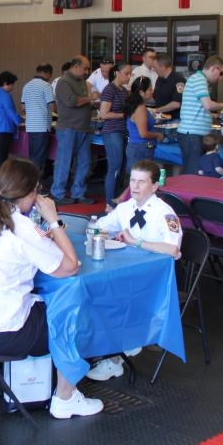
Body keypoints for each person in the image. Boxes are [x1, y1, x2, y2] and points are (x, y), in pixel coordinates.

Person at [0, 157, 102, 419]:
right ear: (31, 193)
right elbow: (71, 266)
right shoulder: (22, 227)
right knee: (72, 311)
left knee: (47, 304)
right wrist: (54, 220)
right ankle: (66, 396)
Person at [86, 160, 182, 381]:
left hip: (155, 279)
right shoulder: (126, 207)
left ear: (155, 186)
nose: (135, 186)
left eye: (141, 182)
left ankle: (115, 357)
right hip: (128, 271)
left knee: (110, 296)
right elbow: (100, 225)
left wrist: (137, 242)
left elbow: (172, 249)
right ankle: (110, 346)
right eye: (132, 180)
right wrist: (101, 231)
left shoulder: (164, 213)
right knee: (98, 289)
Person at [52, 57, 97, 205]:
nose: (87, 71)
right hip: (68, 128)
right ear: (76, 66)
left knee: (84, 162)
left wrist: (91, 102)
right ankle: (58, 194)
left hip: (83, 127)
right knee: (64, 162)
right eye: (85, 68)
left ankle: (79, 193)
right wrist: (90, 98)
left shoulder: (82, 81)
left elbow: (81, 101)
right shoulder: (63, 82)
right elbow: (71, 101)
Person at [177, 56, 223, 176]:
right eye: (221, 73)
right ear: (214, 69)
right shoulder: (199, 80)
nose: (220, 78)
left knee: (195, 171)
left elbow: (201, 108)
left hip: (194, 134)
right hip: (192, 135)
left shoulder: (199, 79)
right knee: (193, 173)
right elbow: (208, 105)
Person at [100, 63, 132, 209]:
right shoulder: (109, 90)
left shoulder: (124, 91)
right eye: (126, 73)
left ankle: (116, 199)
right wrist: (124, 115)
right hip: (112, 131)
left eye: (130, 74)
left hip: (122, 131)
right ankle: (108, 203)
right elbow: (104, 114)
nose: (129, 76)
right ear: (117, 73)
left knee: (121, 166)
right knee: (114, 167)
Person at [20, 64, 56, 176]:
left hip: (30, 126)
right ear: (47, 73)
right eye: (50, 75)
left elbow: (23, 108)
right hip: (42, 126)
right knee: (39, 158)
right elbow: (52, 107)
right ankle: (34, 185)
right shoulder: (46, 86)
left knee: (33, 156)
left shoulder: (26, 85)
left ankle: (31, 183)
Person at [125, 76, 164, 172]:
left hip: (138, 147)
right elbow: (143, 134)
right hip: (141, 148)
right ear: (141, 93)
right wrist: (158, 135)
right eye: (150, 89)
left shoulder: (137, 106)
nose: (152, 91)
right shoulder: (140, 108)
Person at [0, 71, 22, 175]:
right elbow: (10, 111)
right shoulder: (6, 95)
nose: (12, 87)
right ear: (6, 83)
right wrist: (20, 120)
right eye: (12, 84)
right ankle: (0, 180)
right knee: (2, 157)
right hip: (3, 129)